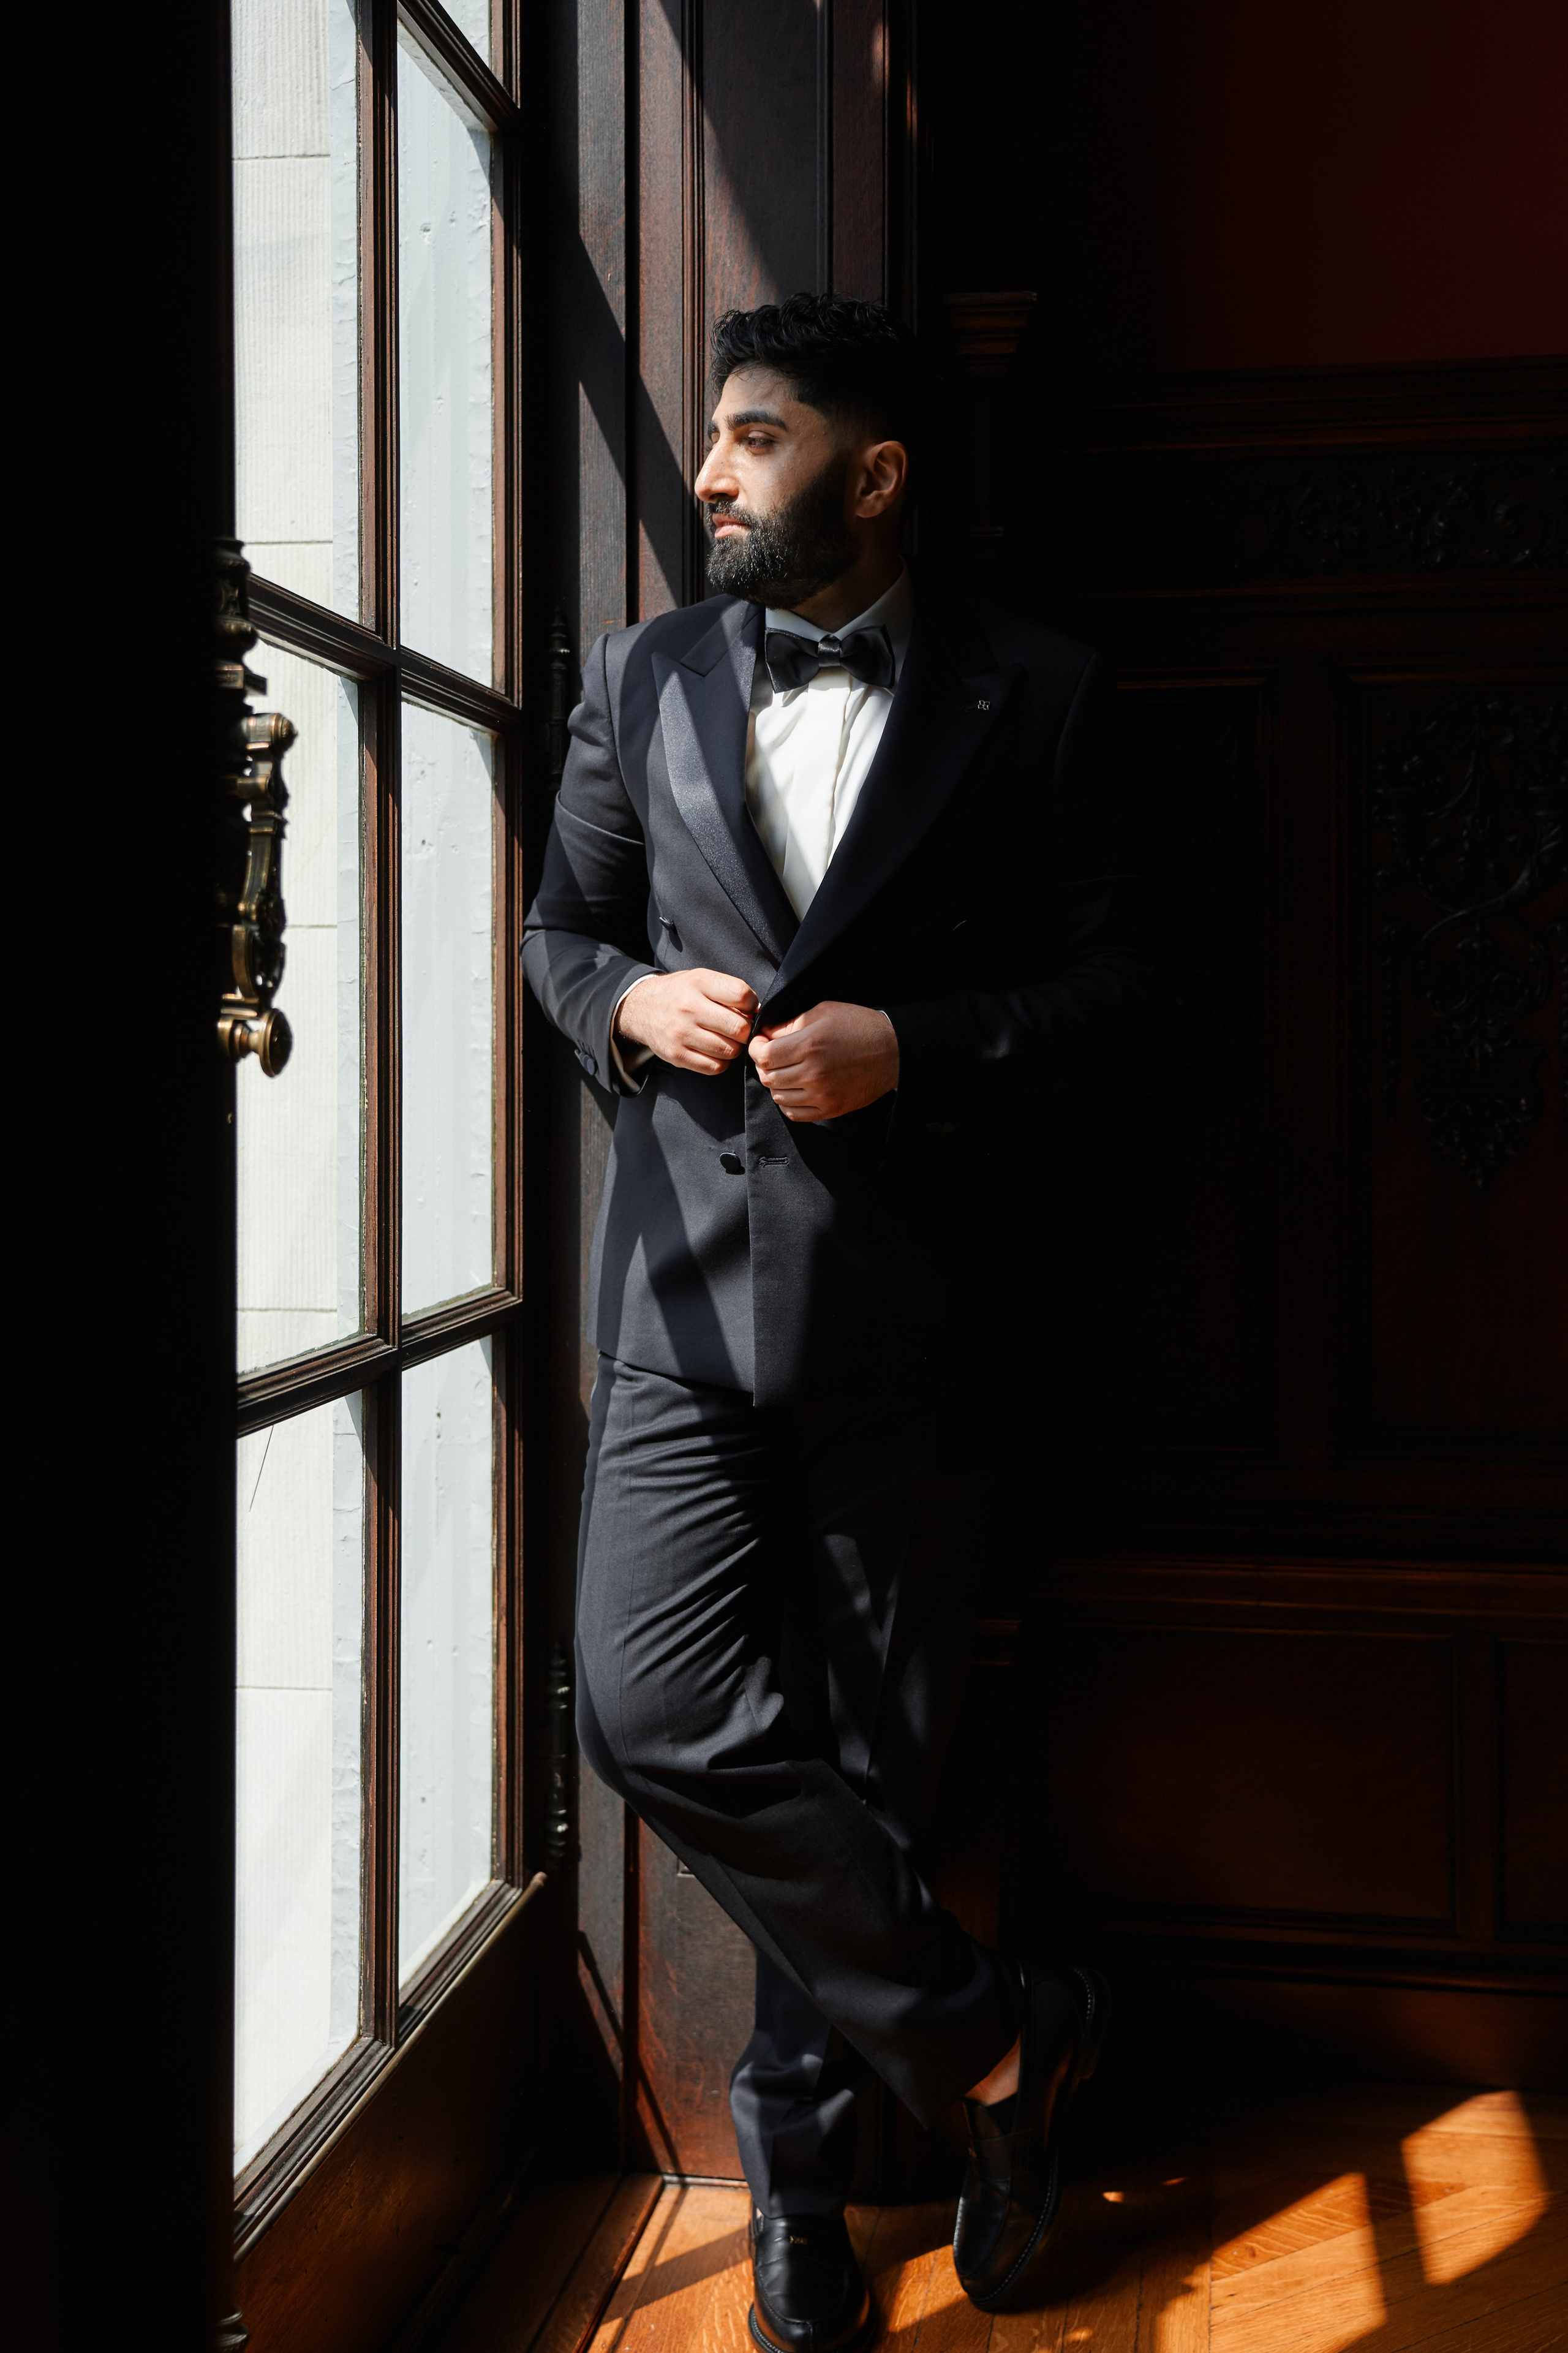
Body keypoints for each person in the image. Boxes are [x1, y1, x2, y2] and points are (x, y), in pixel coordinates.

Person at [523, 292, 1155, 2351]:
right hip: (683, 1303)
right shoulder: (636, 675)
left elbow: (1120, 998)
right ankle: (1007, 2044)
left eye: (756, 435)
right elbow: (561, 934)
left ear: (875, 477)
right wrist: (630, 1004)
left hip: (923, 1314)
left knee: (868, 1769)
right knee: (647, 1706)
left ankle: (800, 2199)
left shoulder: (1040, 691)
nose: (710, 473)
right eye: (714, 433)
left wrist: (919, 1048)